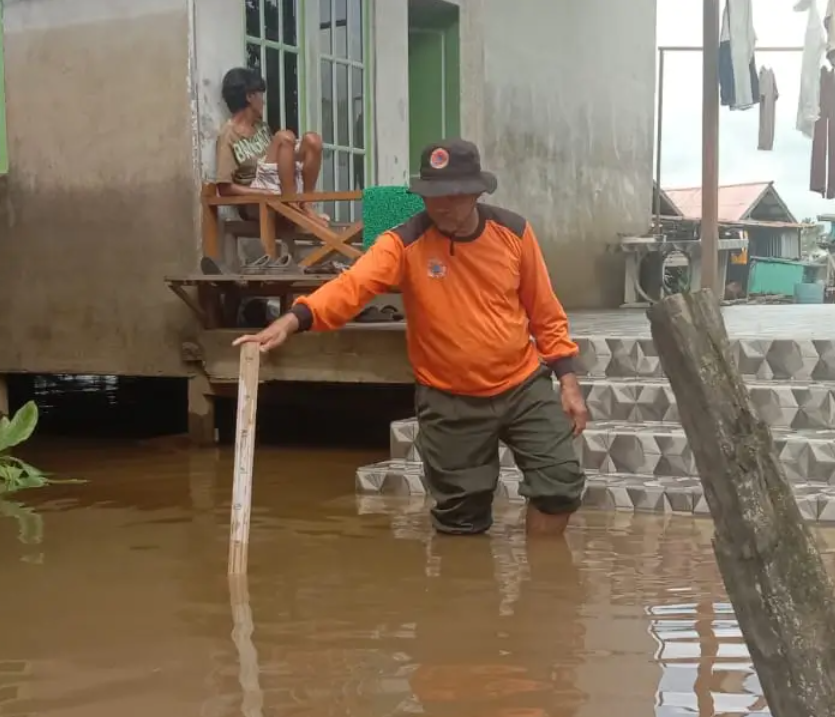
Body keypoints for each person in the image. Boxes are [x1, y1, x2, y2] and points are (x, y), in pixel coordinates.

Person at [233, 138, 588, 537]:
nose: (442, 206)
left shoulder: (514, 233)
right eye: (432, 196)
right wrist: (292, 320)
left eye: (452, 196)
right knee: (461, 516)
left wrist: (568, 381)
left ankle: (540, 587)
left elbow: (545, 311)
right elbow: (351, 287)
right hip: (449, 397)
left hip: (522, 385)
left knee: (559, 484)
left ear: (475, 192)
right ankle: (468, 594)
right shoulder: (403, 243)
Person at [214, 67, 325, 225]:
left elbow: (275, 163)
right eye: (260, 95)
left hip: (277, 185)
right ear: (250, 97)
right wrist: (261, 193)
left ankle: (306, 204)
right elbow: (224, 188)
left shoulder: (261, 127)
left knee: (312, 140)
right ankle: (292, 205)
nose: (263, 101)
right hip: (256, 198)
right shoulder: (228, 135)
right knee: (284, 138)